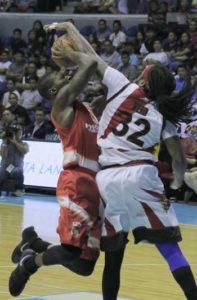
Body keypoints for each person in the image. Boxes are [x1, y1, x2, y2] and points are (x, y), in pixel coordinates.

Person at [50, 22, 197, 300]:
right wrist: (177, 183)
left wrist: (71, 31)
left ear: (145, 80)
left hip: (107, 180)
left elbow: (92, 59)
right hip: (141, 175)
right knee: (170, 249)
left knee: (114, 256)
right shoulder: (162, 115)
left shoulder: (123, 87)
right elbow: (177, 158)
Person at [8, 33, 125, 300]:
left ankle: (33, 245)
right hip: (77, 184)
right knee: (71, 252)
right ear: (54, 92)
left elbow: (109, 80)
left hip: (100, 188)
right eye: (62, 77)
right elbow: (87, 68)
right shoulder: (61, 106)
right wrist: (73, 51)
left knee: (85, 267)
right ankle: (29, 265)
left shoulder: (88, 107)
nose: (67, 75)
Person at [0, 109, 29, 196]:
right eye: (15, 133)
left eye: (18, 132)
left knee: (16, 172)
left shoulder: (23, 143)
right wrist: (4, 142)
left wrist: (15, 141)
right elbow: (3, 155)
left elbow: (24, 151)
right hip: (6, 166)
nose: (17, 134)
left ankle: (20, 189)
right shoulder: (5, 143)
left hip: (16, 167)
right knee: (1, 173)